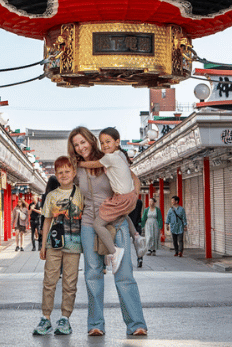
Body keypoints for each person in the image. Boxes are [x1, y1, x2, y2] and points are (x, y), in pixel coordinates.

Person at [69, 127, 148, 337]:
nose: (81, 147)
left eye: (83, 142)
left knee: (124, 274)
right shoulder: (76, 168)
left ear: (91, 141)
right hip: (89, 223)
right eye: (76, 145)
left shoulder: (108, 159)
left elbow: (134, 179)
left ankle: (136, 324)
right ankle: (96, 324)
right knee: (92, 274)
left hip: (117, 222)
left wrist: (133, 196)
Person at [74, 127, 143, 273]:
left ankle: (114, 252)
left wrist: (78, 163)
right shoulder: (121, 155)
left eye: (108, 142)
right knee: (122, 214)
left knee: (98, 224)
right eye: (102, 142)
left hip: (121, 198)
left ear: (117, 142)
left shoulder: (109, 158)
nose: (104, 145)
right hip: (126, 197)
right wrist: (134, 194)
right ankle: (136, 236)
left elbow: (93, 164)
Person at [33, 156, 83, 336]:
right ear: (55, 174)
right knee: (49, 281)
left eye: (67, 171)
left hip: (74, 245)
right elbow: (47, 220)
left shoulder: (81, 194)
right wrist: (43, 246)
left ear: (74, 172)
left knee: (70, 282)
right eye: (60, 172)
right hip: (53, 244)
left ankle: (65, 318)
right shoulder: (51, 196)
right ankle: (45, 318)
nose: (64, 175)